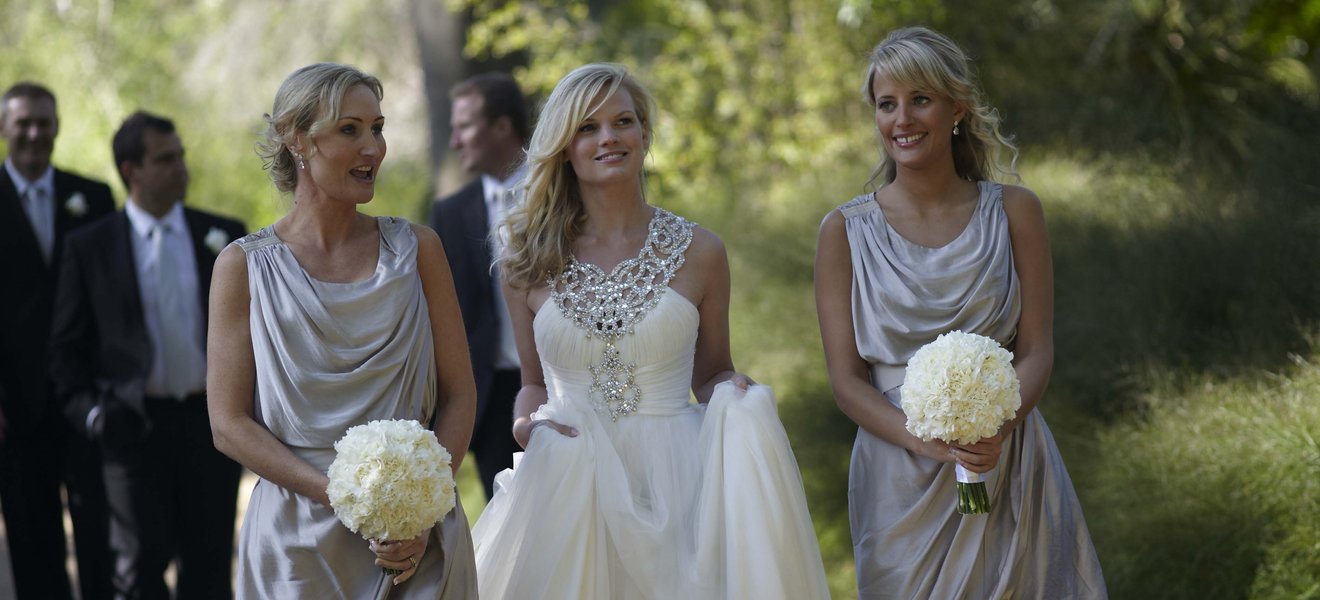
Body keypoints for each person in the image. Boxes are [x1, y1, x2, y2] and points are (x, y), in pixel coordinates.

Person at [471, 63, 829, 600]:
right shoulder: (527, 261)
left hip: (680, 485)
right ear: (564, 147)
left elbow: (711, 372)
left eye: (623, 122)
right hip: (570, 487)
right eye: (587, 128)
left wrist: (735, 393)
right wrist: (527, 425)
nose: (608, 138)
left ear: (644, 135)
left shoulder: (701, 251)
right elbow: (533, 382)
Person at [814, 27, 1107, 598]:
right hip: (896, 470)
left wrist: (992, 431)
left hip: (1007, 452)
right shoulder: (843, 232)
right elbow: (847, 382)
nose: (903, 119)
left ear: (957, 106)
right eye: (886, 104)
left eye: (920, 99)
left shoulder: (1016, 212)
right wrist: (927, 443)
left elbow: (1037, 349)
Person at [206, 62, 478, 599]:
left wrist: (419, 512)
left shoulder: (419, 250)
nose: (373, 147)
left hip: (415, 543)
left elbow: (460, 395)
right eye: (350, 130)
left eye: (377, 128)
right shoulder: (242, 267)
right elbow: (228, 423)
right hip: (296, 545)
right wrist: (347, 497)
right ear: (297, 140)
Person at [49, 111, 245, 600]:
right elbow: (66, 350)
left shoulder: (223, 236)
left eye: (181, 156)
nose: (181, 168)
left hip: (210, 428)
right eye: (166, 159)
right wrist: (95, 416)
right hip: (131, 428)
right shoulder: (90, 246)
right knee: (138, 572)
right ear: (131, 170)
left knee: (210, 567)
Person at [0, 81, 115, 600]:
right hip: (13, 404)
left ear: (57, 126)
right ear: (4, 128)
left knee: (99, 535)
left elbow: (115, 302)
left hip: (84, 398)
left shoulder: (92, 197)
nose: (34, 133)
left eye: (43, 122)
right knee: (31, 534)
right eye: (23, 122)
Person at [429, 73, 530, 500]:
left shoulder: (567, 194)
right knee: (509, 521)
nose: (455, 141)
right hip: (490, 403)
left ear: (502, 127)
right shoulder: (450, 213)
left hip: (569, 383)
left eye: (464, 127)